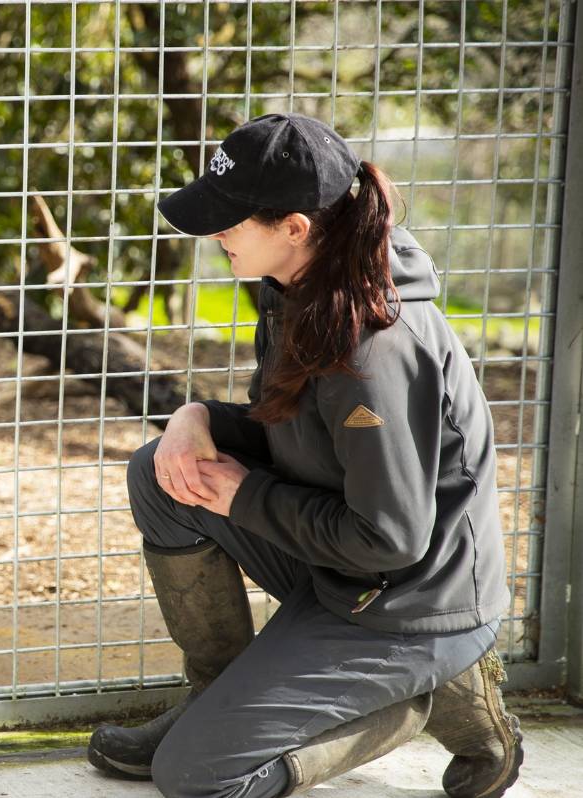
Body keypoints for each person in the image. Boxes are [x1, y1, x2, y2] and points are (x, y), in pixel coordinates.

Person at [86, 113, 522, 798]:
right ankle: (216, 700)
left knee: (199, 778)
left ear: (294, 227)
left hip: (408, 601)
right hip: (346, 566)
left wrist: (241, 497)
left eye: (231, 219)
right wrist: (194, 417)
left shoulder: (374, 351)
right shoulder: (297, 288)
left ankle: (408, 704)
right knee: (163, 474)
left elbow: (389, 538)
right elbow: (299, 436)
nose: (214, 233)